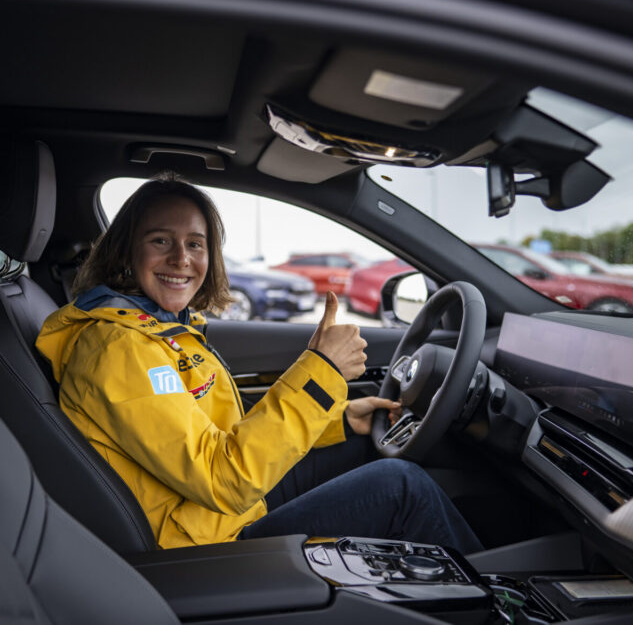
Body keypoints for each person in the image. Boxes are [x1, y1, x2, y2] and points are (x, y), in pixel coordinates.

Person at [36, 173, 482, 553]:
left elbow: (217, 433)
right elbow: (223, 476)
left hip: (213, 512)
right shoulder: (118, 348)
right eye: (160, 241)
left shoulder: (156, 327)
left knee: (362, 443)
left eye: (196, 243)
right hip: (206, 547)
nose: (181, 259)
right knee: (400, 486)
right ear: (126, 252)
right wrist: (321, 370)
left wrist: (339, 420)